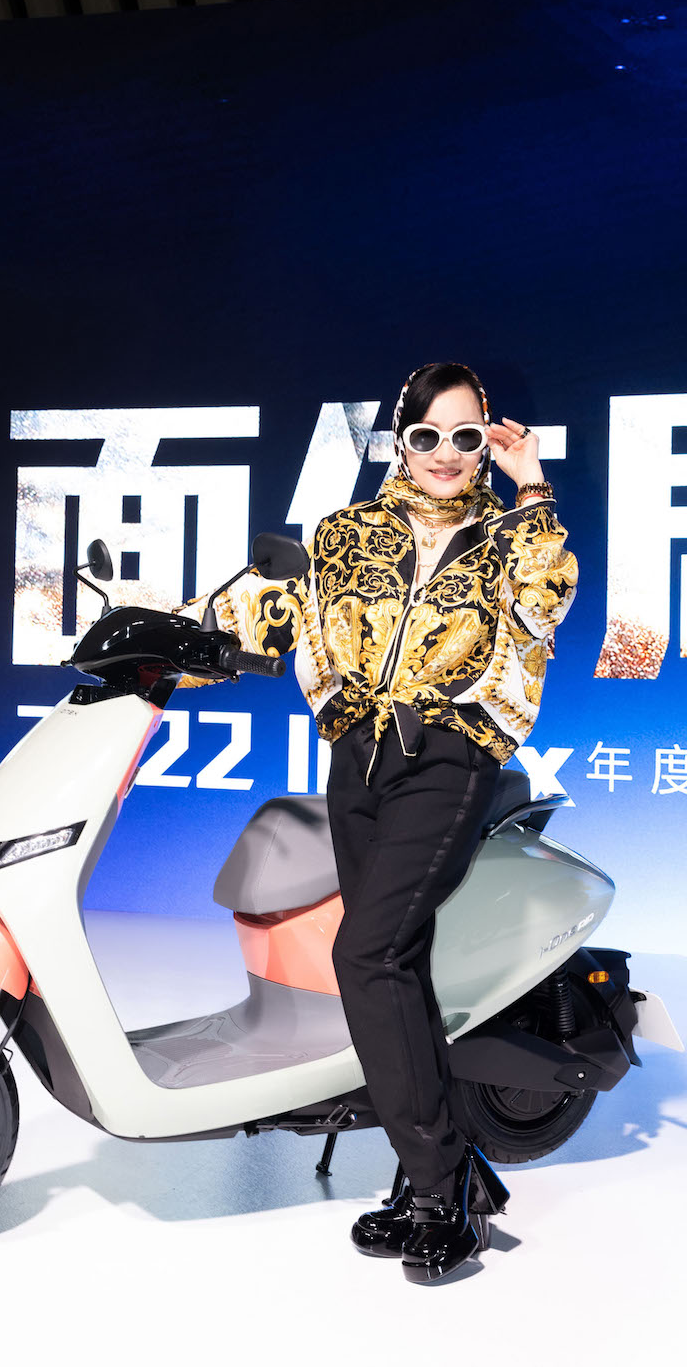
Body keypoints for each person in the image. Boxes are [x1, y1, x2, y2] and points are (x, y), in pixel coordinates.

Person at [186, 362, 577, 1283]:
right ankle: (428, 1175)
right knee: (397, 969)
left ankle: (444, 1189)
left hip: (448, 758)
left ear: (487, 442)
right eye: (427, 435)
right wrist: (168, 636)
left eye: (466, 436)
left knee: (365, 953)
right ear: (399, 441)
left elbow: (546, 598)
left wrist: (531, 486)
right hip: (357, 760)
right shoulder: (346, 532)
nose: (446, 454)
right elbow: (265, 610)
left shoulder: (508, 534)